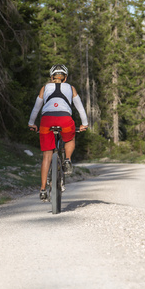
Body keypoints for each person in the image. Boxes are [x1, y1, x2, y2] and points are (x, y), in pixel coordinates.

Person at [28, 64, 89, 201]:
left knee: (46, 157)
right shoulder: (71, 88)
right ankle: (67, 159)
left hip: (46, 121)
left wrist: (31, 123)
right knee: (70, 138)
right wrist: (84, 124)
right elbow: (80, 108)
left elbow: (36, 108)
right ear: (65, 78)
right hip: (65, 119)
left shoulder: (44, 88)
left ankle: (43, 189)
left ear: (51, 78)